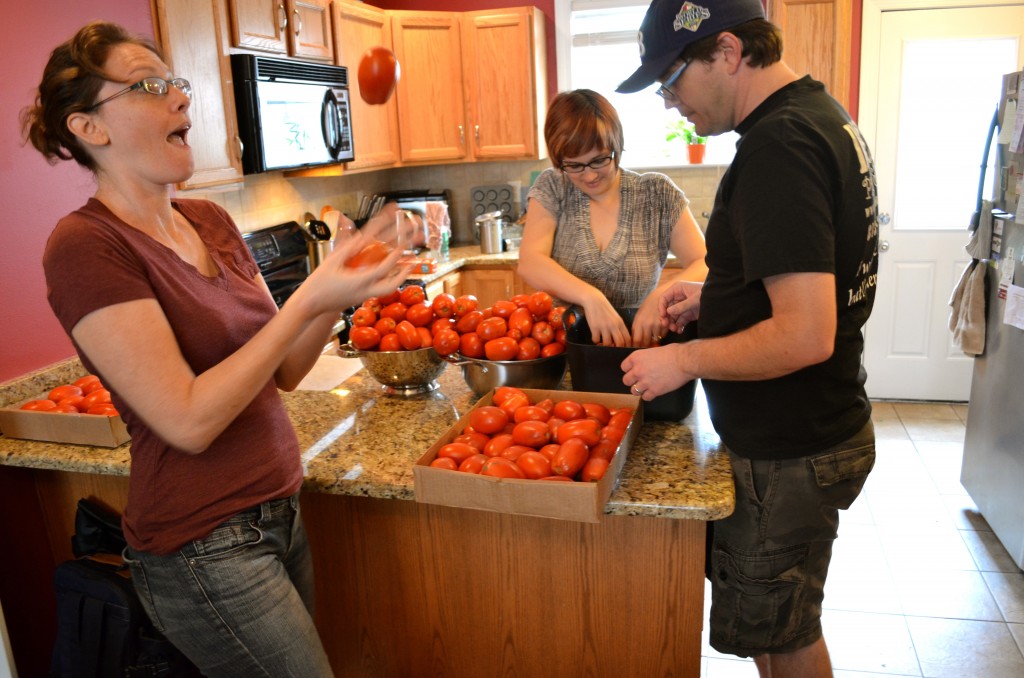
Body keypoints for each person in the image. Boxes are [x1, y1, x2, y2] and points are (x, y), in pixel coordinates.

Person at [22, 21, 410, 676]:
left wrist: (341, 288)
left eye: (175, 81)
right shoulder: (86, 247)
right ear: (89, 127)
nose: (182, 97)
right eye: (149, 85)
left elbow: (284, 370)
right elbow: (188, 421)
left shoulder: (210, 219)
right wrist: (312, 294)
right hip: (202, 544)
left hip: (277, 513)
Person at [616, 2, 879, 676]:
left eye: (672, 80)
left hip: (790, 448)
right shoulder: (817, 117)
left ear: (728, 50)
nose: (671, 104)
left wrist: (682, 359)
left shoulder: (779, 146)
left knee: (784, 636)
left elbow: (805, 332)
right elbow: (813, 275)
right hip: (815, 428)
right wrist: (718, 298)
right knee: (776, 626)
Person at [518, 88, 708, 348]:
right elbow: (530, 262)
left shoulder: (656, 194)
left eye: (599, 160)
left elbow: (706, 262)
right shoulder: (553, 186)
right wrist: (590, 297)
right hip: (563, 348)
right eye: (574, 165)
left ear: (616, 146)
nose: (589, 176)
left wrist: (661, 294)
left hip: (637, 347)